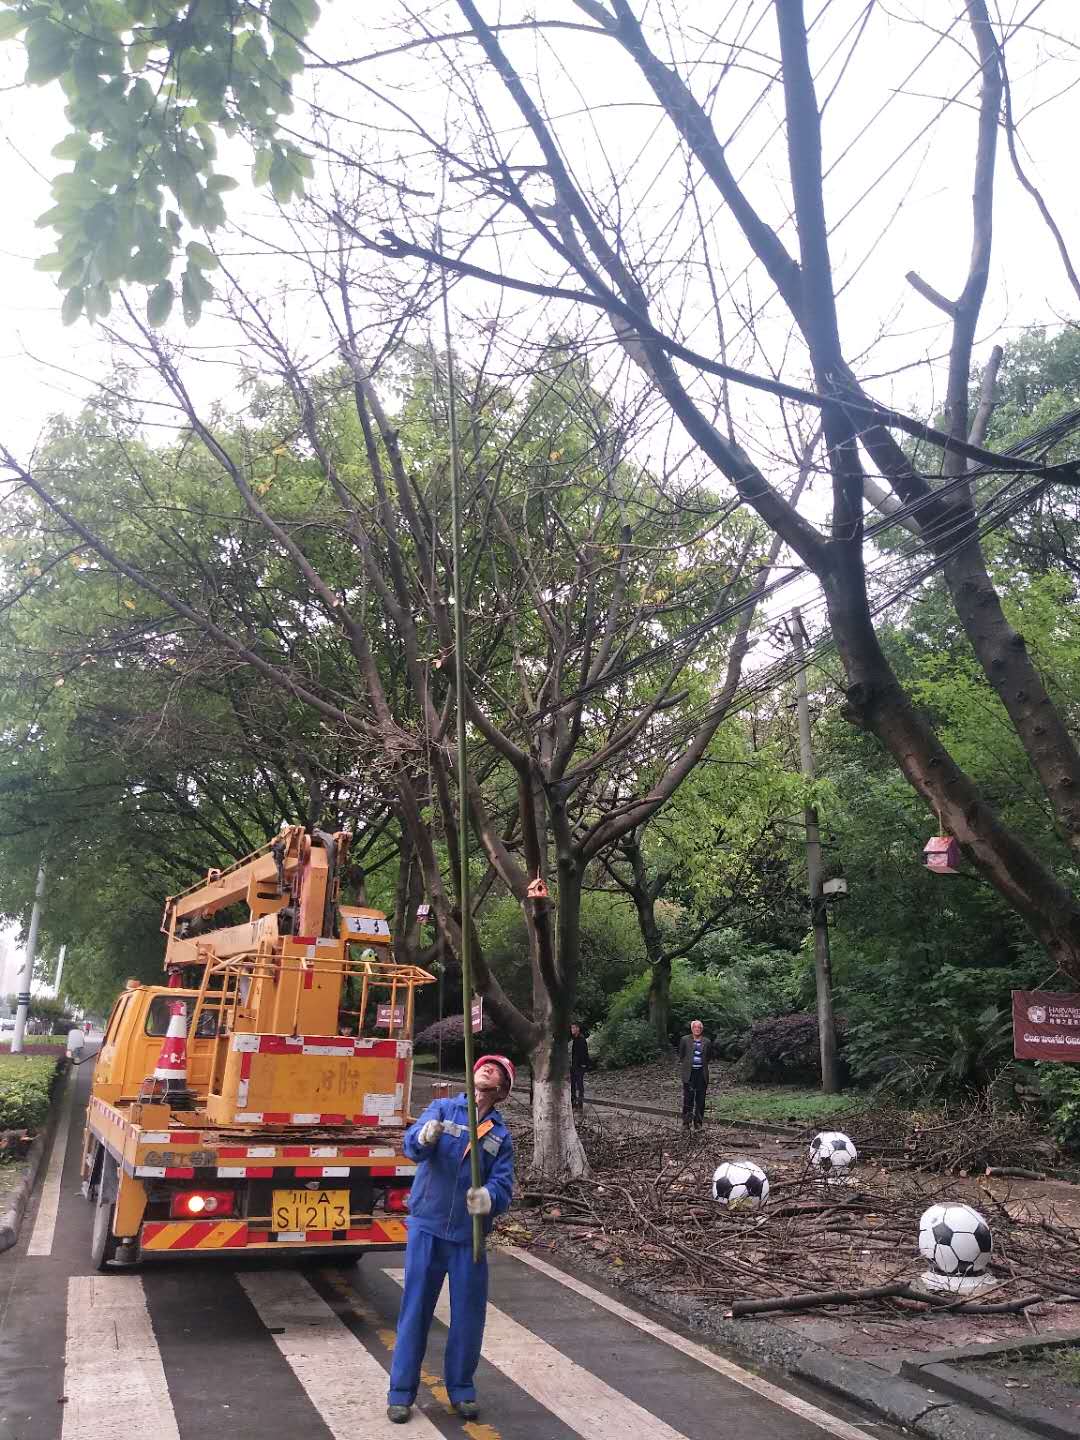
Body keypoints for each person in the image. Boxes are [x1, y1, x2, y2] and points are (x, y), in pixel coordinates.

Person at [386, 1053, 515, 1424]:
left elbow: (503, 1185)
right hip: (427, 1227)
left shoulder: (500, 1136)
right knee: (415, 1311)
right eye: (483, 1065)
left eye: (497, 1070)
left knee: (468, 1317)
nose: (487, 1068)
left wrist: (489, 1197)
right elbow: (412, 1148)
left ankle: (461, 1390)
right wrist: (423, 1136)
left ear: (502, 1089)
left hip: (467, 1236)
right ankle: (400, 1393)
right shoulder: (442, 1109)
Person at [677, 1018, 715, 1129]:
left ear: (702, 1029)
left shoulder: (707, 1041)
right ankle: (686, 1122)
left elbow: (708, 1057)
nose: (697, 1029)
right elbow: (681, 1055)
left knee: (700, 1099)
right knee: (688, 1098)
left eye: (699, 1027)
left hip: (701, 1074)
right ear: (691, 1028)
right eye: (695, 1027)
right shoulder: (684, 1039)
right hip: (689, 1073)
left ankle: (698, 1123)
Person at [569, 1022, 590, 1111]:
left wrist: (583, 1064)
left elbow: (584, 1053)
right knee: (573, 1084)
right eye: (571, 1028)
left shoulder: (581, 1039)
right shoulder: (574, 1039)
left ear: (578, 1029)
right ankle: (573, 1102)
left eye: (574, 1028)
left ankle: (580, 1103)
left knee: (579, 1084)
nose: (572, 1030)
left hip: (579, 1066)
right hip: (573, 1066)